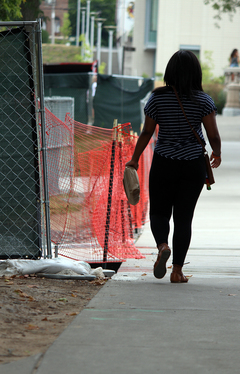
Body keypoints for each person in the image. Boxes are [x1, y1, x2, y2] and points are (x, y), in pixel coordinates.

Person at [126, 50, 221, 283]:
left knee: (159, 212)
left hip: (164, 162)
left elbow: (147, 131)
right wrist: (216, 153)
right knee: (184, 217)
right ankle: (177, 271)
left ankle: (162, 247)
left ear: (170, 72)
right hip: (193, 165)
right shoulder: (204, 100)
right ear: (195, 73)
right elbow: (213, 135)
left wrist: (135, 159)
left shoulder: (157, 98)